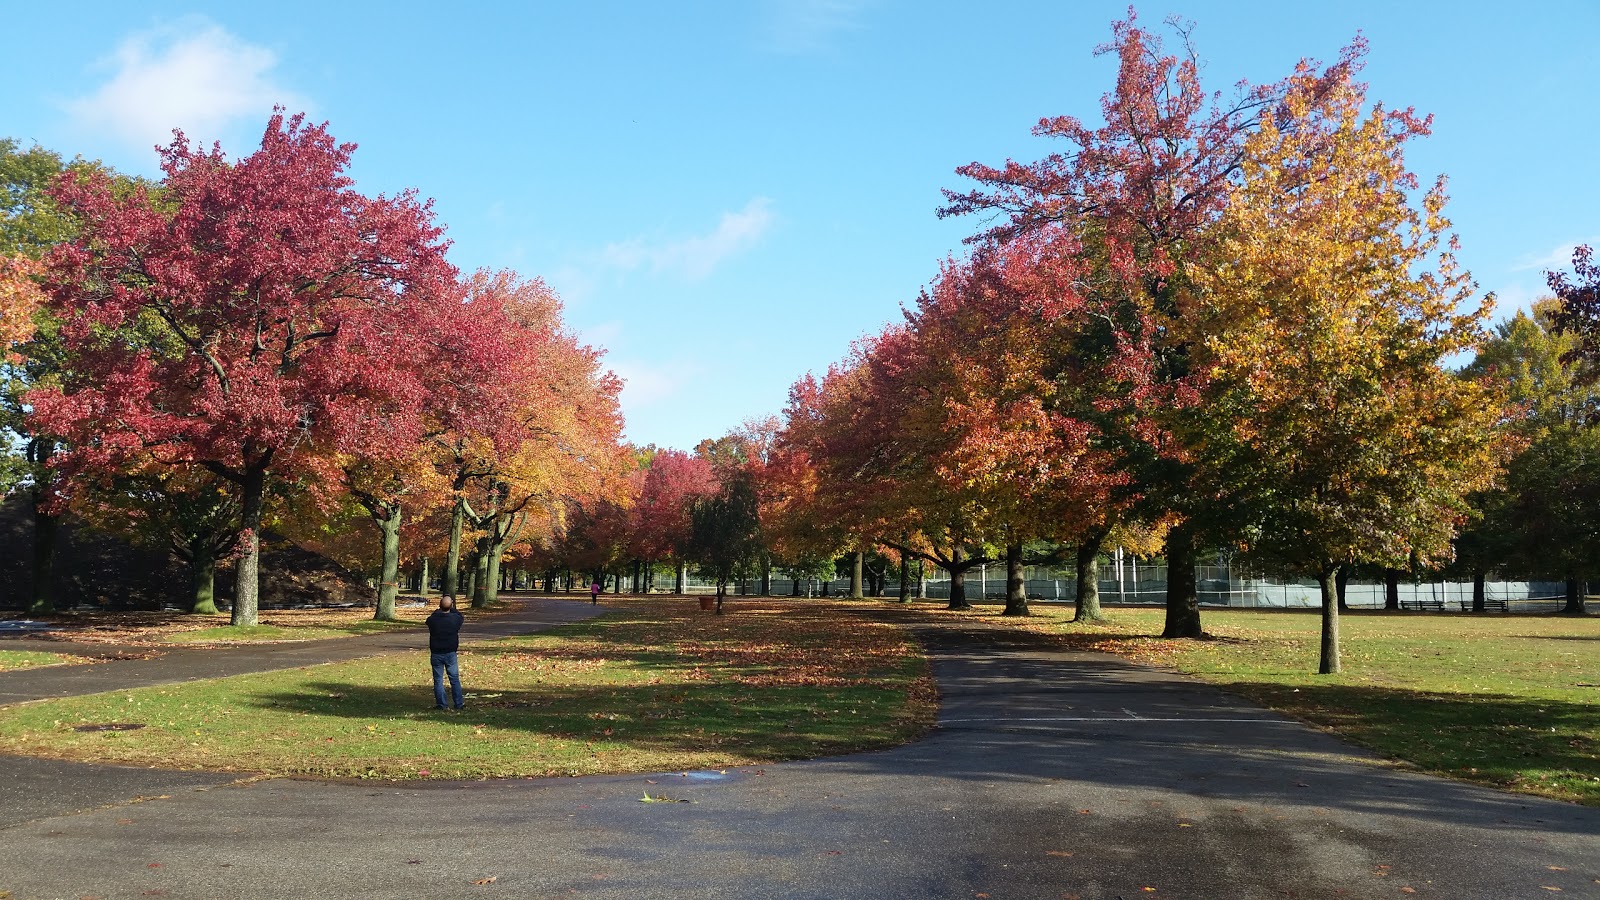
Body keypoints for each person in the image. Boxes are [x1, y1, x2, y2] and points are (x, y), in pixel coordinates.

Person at [426, 596, 465, 711]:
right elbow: (460, 615)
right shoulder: (455, 620)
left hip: (436, 653)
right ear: (452, 605)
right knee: (454, 679)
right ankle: (458, 703)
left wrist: (440, 609)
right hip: (450, 653)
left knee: (438, 679)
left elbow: (430, 618)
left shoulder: (433, 620)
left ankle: (442, 704)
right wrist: (451, 607)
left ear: (439, 606)